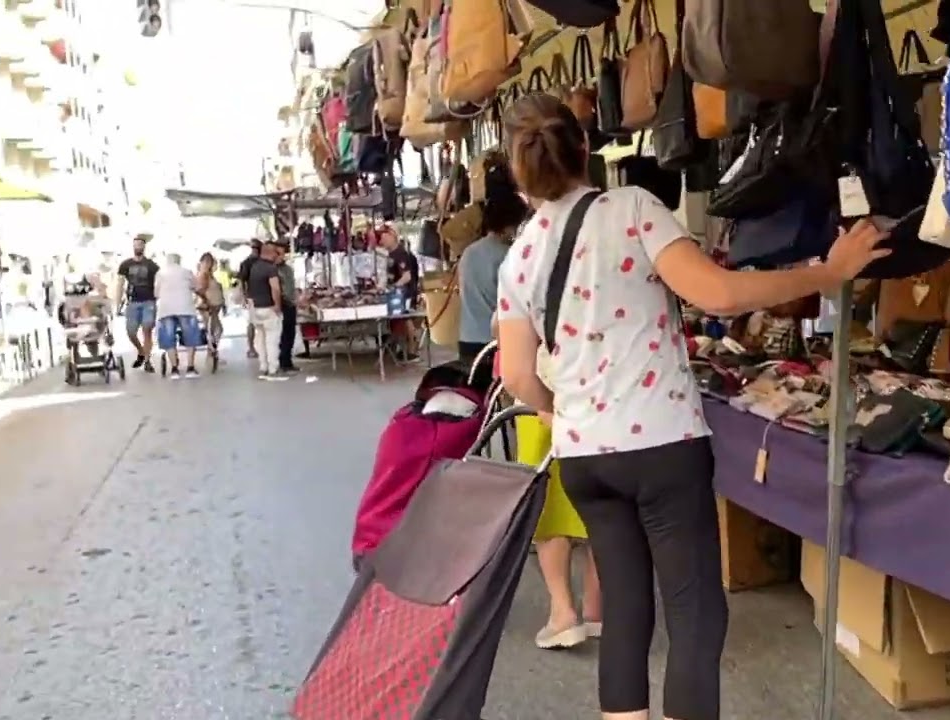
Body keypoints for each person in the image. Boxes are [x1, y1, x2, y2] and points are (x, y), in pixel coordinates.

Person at [495, 94, 891, 720]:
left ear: (520, 175)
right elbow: (720, 293)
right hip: (661, 444)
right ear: (585, 148)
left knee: (625, 613)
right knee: (695, 614)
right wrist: (825, 274)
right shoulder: (630, 208)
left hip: (585, 457)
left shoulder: (518, 257)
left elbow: (516, 372)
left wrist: (559, 409)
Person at [457, 179, 529, 368]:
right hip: (495, 344)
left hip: (467, 340)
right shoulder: (509, 256)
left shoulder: (468, 252)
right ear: (510, 223)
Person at [116, 234, 160, 373]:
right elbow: (120, 284)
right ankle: (141, 351)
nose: (138, 247)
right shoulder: (125, 264)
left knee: (147, 329)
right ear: (133, 247)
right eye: (135, 245)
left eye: (140, 245)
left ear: (144, 247)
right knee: (131, 331)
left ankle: (147, 360)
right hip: (133, 301)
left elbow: (159, 283)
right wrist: (117, 303)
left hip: (148, 301)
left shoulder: (151, 265)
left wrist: (159, 298)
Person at [154, 253, 202, 379]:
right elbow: (196, 287)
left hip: (166, 309)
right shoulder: (186, 272)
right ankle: (190, 367)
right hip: (185, 307)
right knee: (190, 336)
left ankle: (174, 368)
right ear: (179, 261)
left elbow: (156, 293)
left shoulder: (160, 273)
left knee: (168, 338)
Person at [378, 227, 421, 361]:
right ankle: (399, 347)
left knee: (406, 318)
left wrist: (394, 286)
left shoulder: (401, 254)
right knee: (399, 320)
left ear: (392, 236)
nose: (381, 241)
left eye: (384, 237)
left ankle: (412, 350)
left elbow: (407, 276)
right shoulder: (389, 255)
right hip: (395, 293)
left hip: (405, 293)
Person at [246, 240, 287, 381]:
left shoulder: (254, 267)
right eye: (276, 252)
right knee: (272, 340)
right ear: (270, 253)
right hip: (269, 307)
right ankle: (273, 369)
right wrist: (277, 305)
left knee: (261, 339)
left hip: (256, 308)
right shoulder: (271, 269)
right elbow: (275, 288)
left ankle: (263, 366)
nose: (277, 255)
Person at [274, 240, 300, 374]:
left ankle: (288, 361)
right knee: (282, 334)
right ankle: (283, 362)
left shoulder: (287, 269)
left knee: (290, 333)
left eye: (283, 254)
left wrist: (297, 299)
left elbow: (291, 286)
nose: (281, 256)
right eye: (278, 253)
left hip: (291, 304)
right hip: (281, 304)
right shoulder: (272, 271)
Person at [196, 252, 225, 357]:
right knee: (214, 330)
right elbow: (200, 291)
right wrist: (207, 302)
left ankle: (212, 351)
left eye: (210, 261)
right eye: (207, 261)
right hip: (208, 307)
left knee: (214, 330)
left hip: (214, 307)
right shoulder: (203, 275)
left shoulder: (209, 274)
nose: (209, 264)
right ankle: (212, 351)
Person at [237, 240, 262, 359]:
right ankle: (253, 347)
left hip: (252, 296)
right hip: (256, 296)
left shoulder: (246, 263)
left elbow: (241, 281)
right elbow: (242, 281)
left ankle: (252, 348)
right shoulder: (251, 263)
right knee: (255, 323)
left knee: (252, 323)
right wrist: (243, 296)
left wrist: (244, 296)